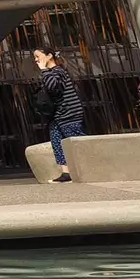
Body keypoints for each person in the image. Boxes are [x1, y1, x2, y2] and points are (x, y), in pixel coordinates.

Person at [31, 45, 85, 182]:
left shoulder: (58, 71)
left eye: (38, 56)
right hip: (56, 115)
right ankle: (66, 173)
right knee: (57, 142)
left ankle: (88, 169)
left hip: (69, 113)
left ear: (49, 56)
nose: (36, 60)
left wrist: (44, 70)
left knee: (76, 142)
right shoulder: (51, 72)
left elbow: (52, 86)